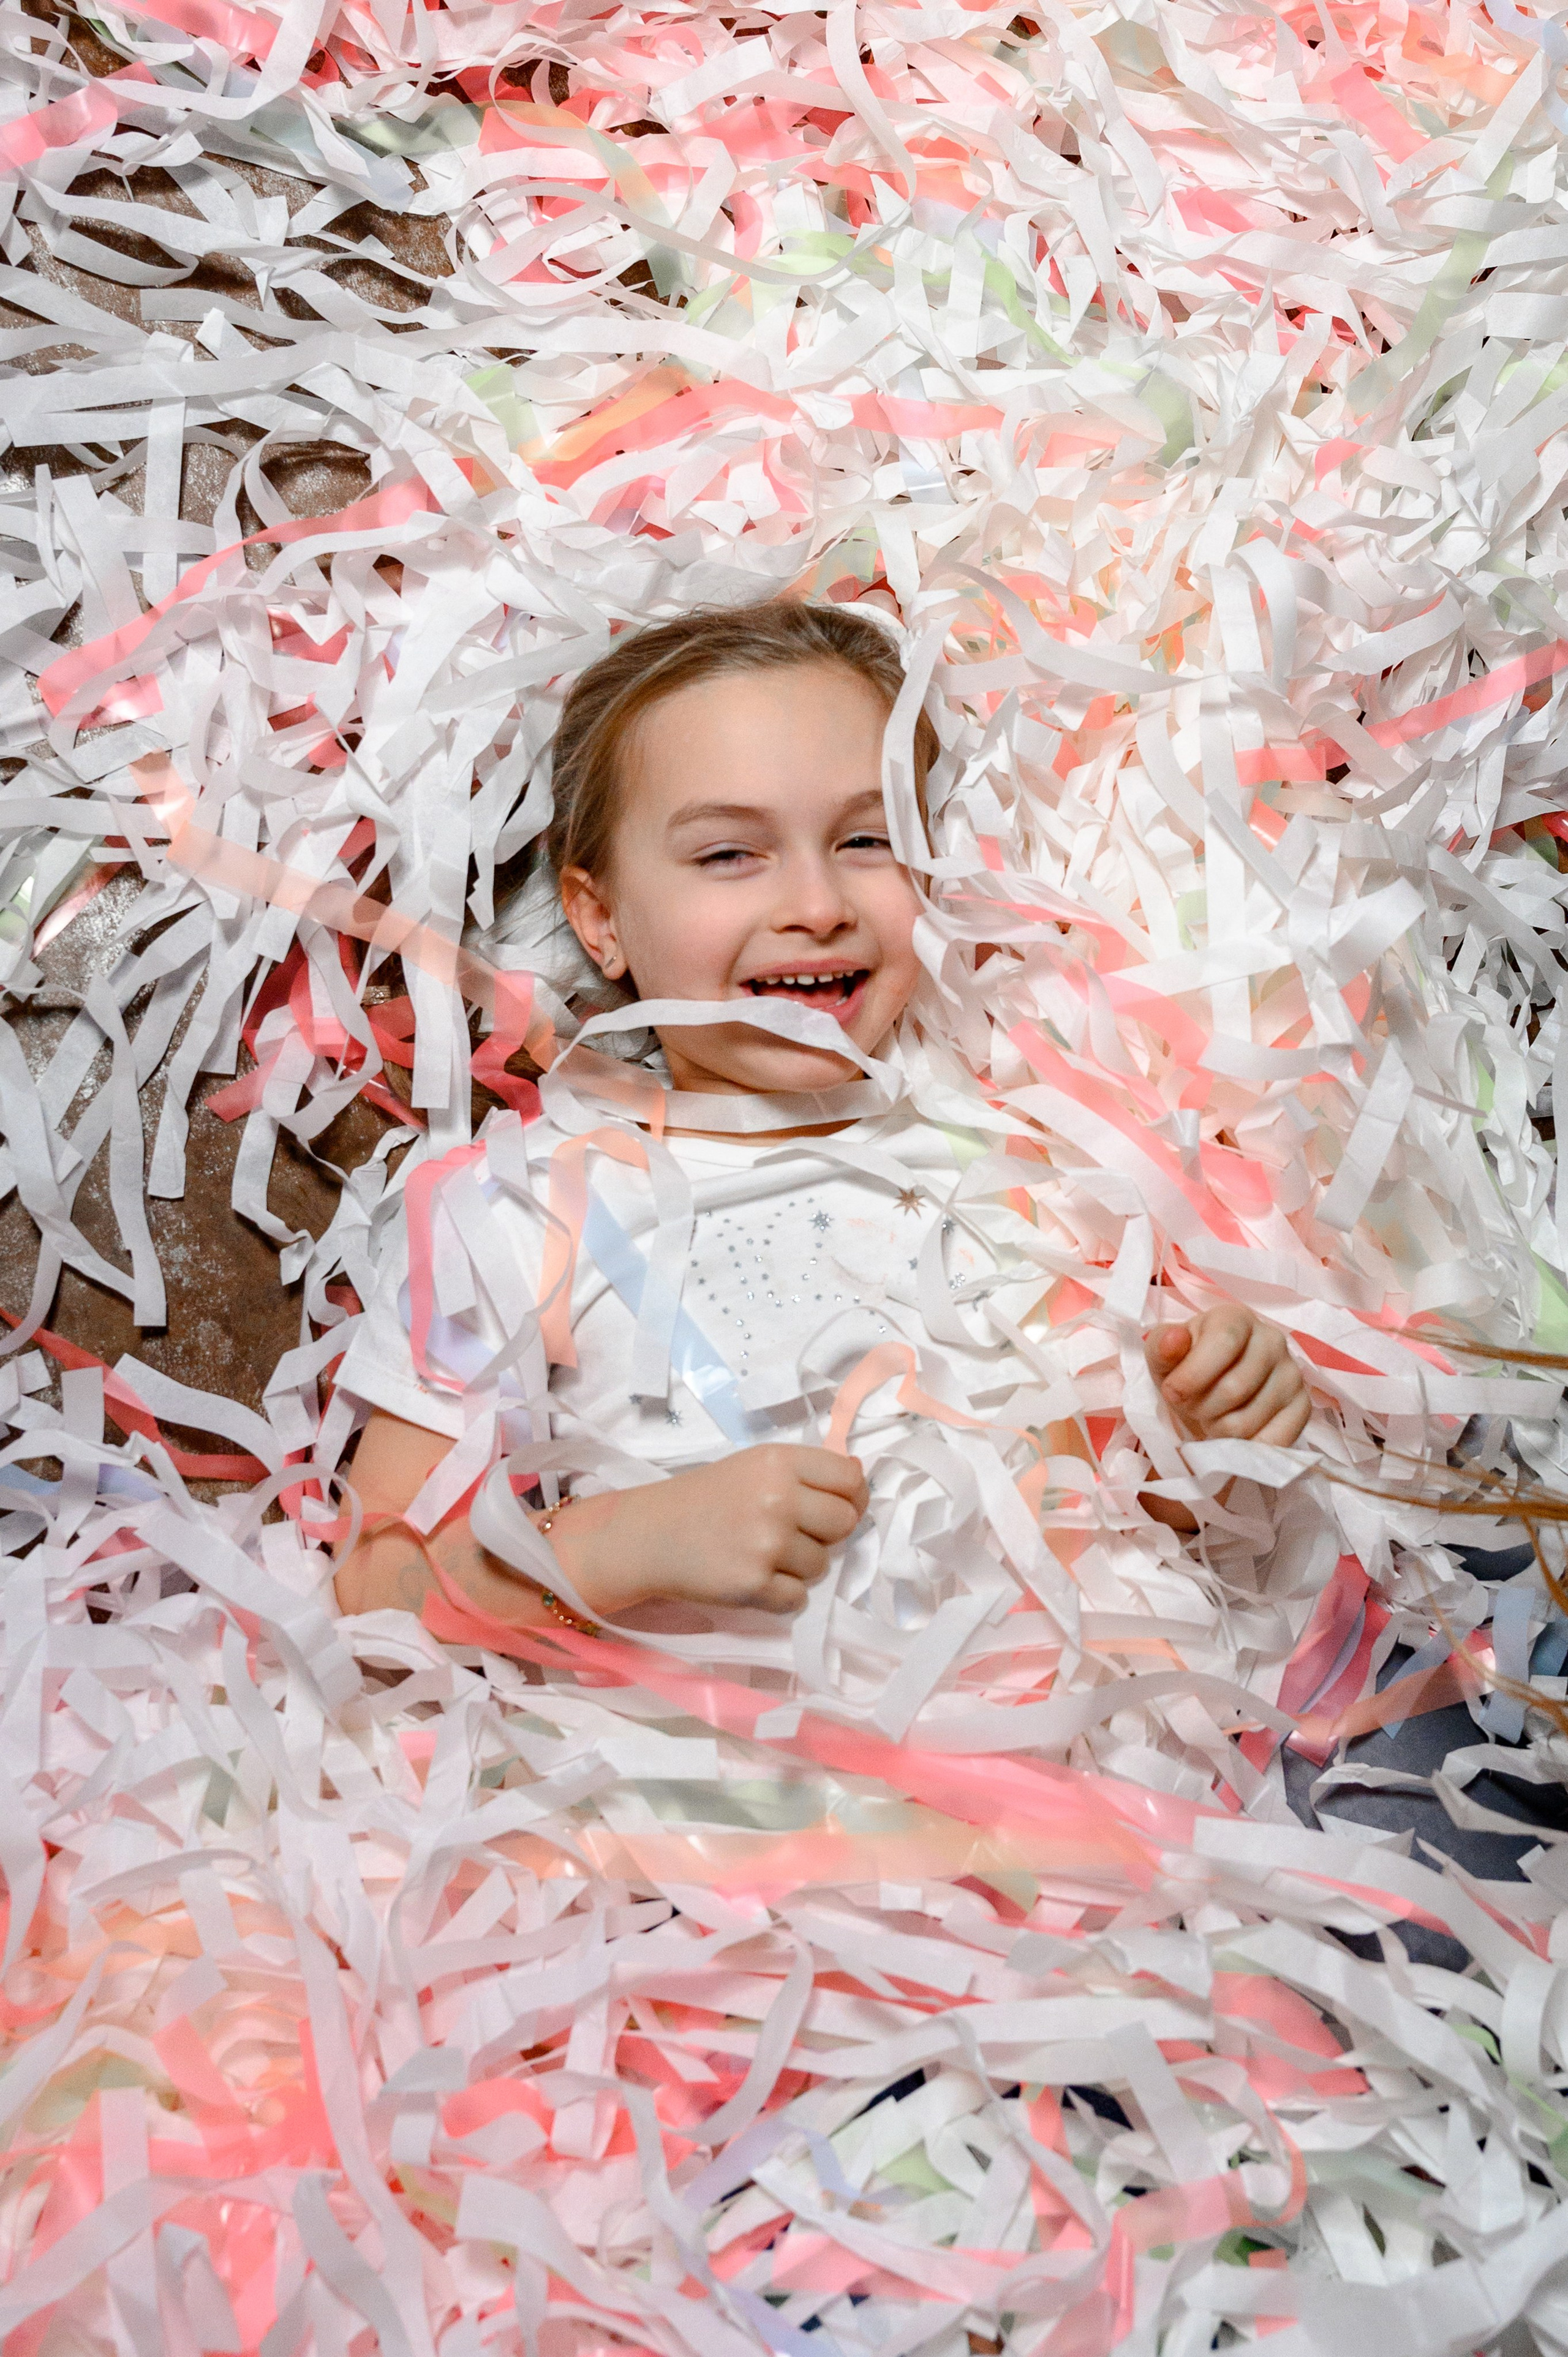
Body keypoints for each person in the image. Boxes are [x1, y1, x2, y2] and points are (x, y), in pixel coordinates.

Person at [332, 600, 1310, 1683]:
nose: (817, 903)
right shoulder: (524, 1209)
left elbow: (1088, 1530)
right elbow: (374, 1594)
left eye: (865, 841)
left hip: (1084, 1749)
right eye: (728, 854)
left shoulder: (1031, 1156)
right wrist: (621, 1545)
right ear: (600, 919)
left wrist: (1191, 1441)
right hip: (716, 1773)